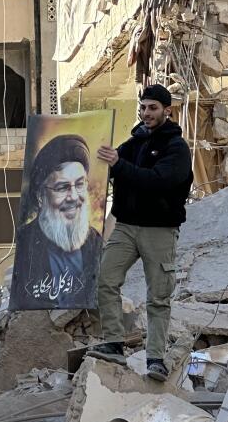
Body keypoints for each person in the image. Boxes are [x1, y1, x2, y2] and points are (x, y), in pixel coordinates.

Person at [94, 84, 193, 381]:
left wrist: (118, 164)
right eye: (143, 107)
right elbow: (111, 168)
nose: (146, 113)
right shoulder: (134, 142)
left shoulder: (176, 148)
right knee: (105, 280)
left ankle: (156, 359)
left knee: (158, 297)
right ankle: (113, 344)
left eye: (152, 108)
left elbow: (157, 180)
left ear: (167, 111)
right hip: (125, 226)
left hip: (159, 231)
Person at [11, 134, 104, 309]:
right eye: (62, 187)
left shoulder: (95, 242)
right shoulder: (26, 241)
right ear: (40, 196)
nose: (74, 197)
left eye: (79, 185)